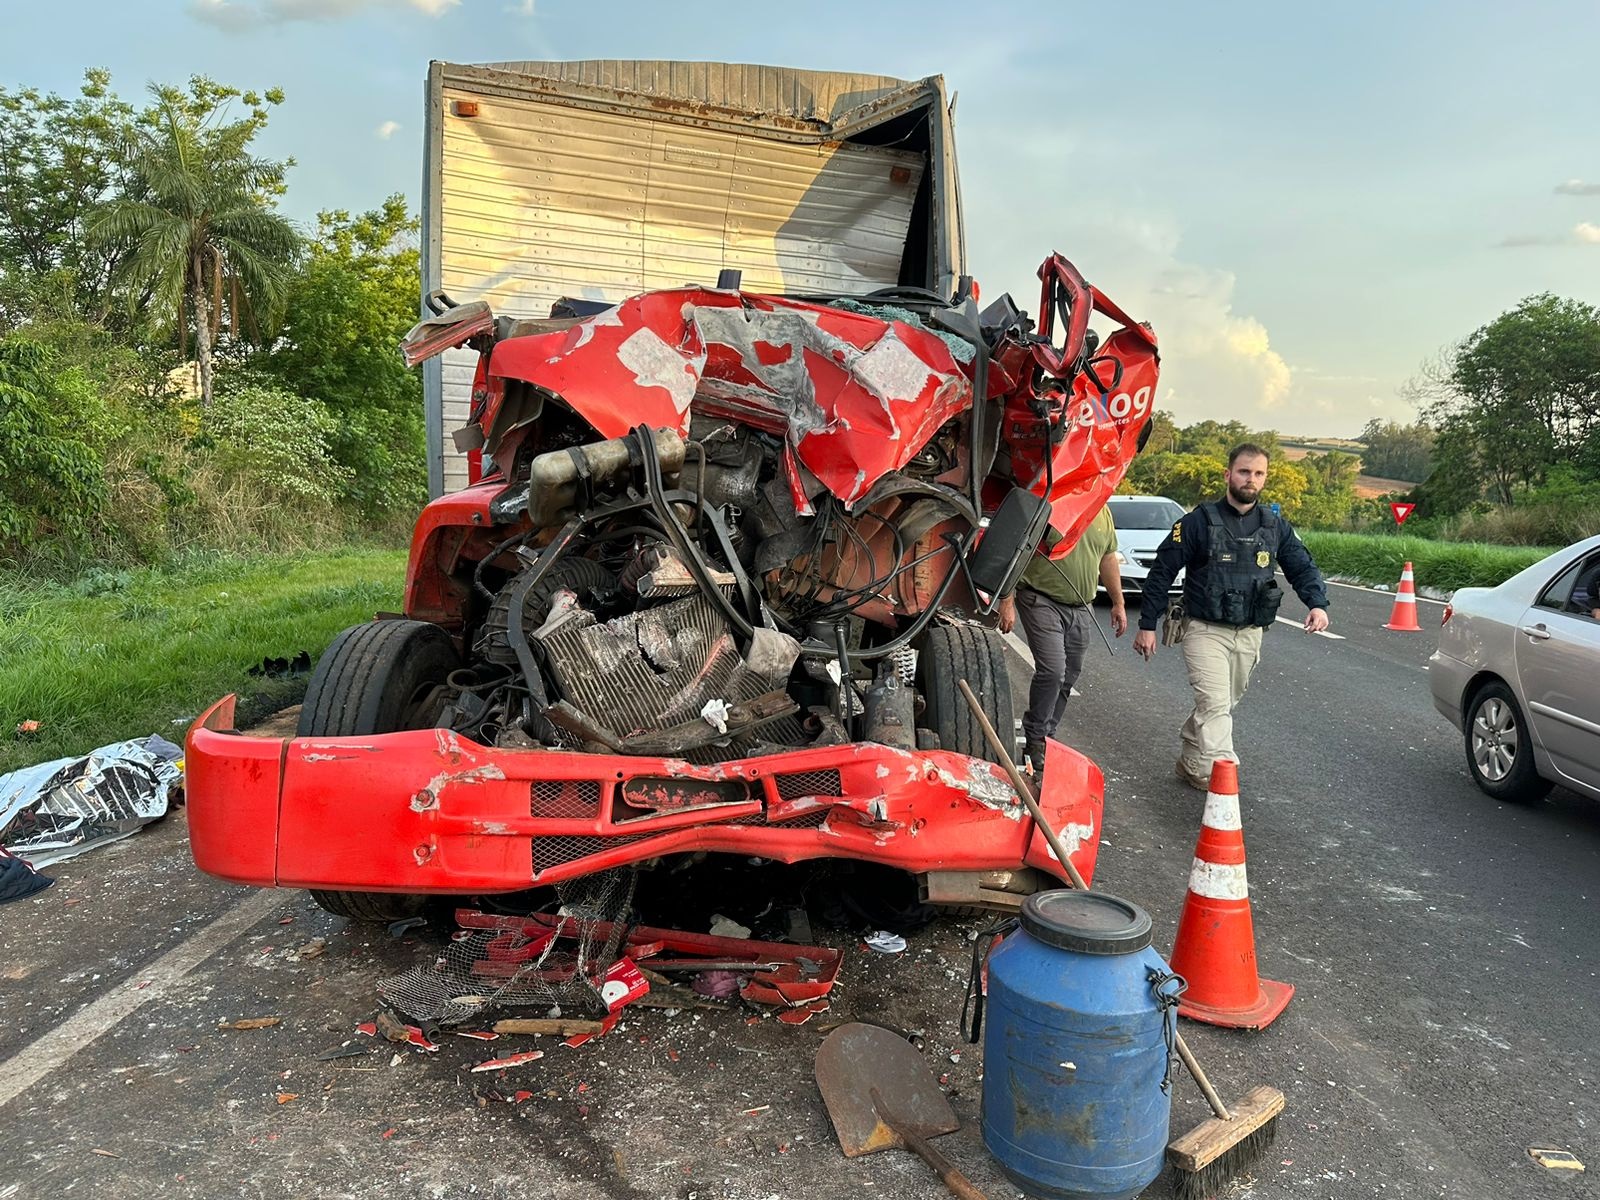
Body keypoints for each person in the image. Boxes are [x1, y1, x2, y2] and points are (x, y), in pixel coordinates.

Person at [1131, 444, 1329, 790]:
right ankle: (1224, 775)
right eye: (1243, 471)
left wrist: (1317, 604)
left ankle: (1191, 761)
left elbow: (1301, 566)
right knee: (1215, 702)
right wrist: (1147, 624)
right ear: (1228, 475)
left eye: (1258, 473)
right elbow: (1162, 571)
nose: (1250, 479)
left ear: (1265, 478)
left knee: (1223, 703)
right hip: (1204, 629)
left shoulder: (1275, 526)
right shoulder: (1196, 523)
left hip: (1250, 631)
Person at [998, 504, 1126, 773]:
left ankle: (1047, 735)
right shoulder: (1053, 502)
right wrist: (1006, 599)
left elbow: (1107, 557)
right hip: (1039, 598)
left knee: (1069, 675)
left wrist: (1118, 602)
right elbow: (1016, 547)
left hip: (1081, 606)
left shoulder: (1103, 510)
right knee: (1053, 670)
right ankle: (1036, 740)